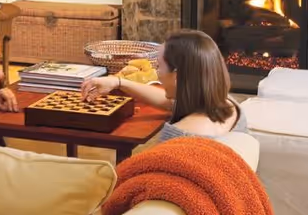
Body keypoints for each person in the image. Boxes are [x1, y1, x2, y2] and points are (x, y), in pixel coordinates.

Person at [81, 30, 245, 143]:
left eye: (159, 66)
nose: (156, 72)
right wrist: (118, 82)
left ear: (177, 76)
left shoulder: (180, 136)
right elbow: (168, 103)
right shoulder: (231, 107)